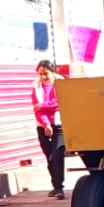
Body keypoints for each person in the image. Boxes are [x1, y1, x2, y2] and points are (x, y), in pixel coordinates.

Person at [32, 60, 66, 198]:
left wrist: (42, 105)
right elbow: (37, 109)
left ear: (53, 72)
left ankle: (59, 187)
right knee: (50, 157)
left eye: (45, 74)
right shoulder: (36, 87)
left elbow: (61, 102)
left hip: (59, 125)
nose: (43, 77)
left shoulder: (62, 85)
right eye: (40, 74)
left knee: (57, 154)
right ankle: (55, 185)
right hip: (43, 126)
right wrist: (46, 124)